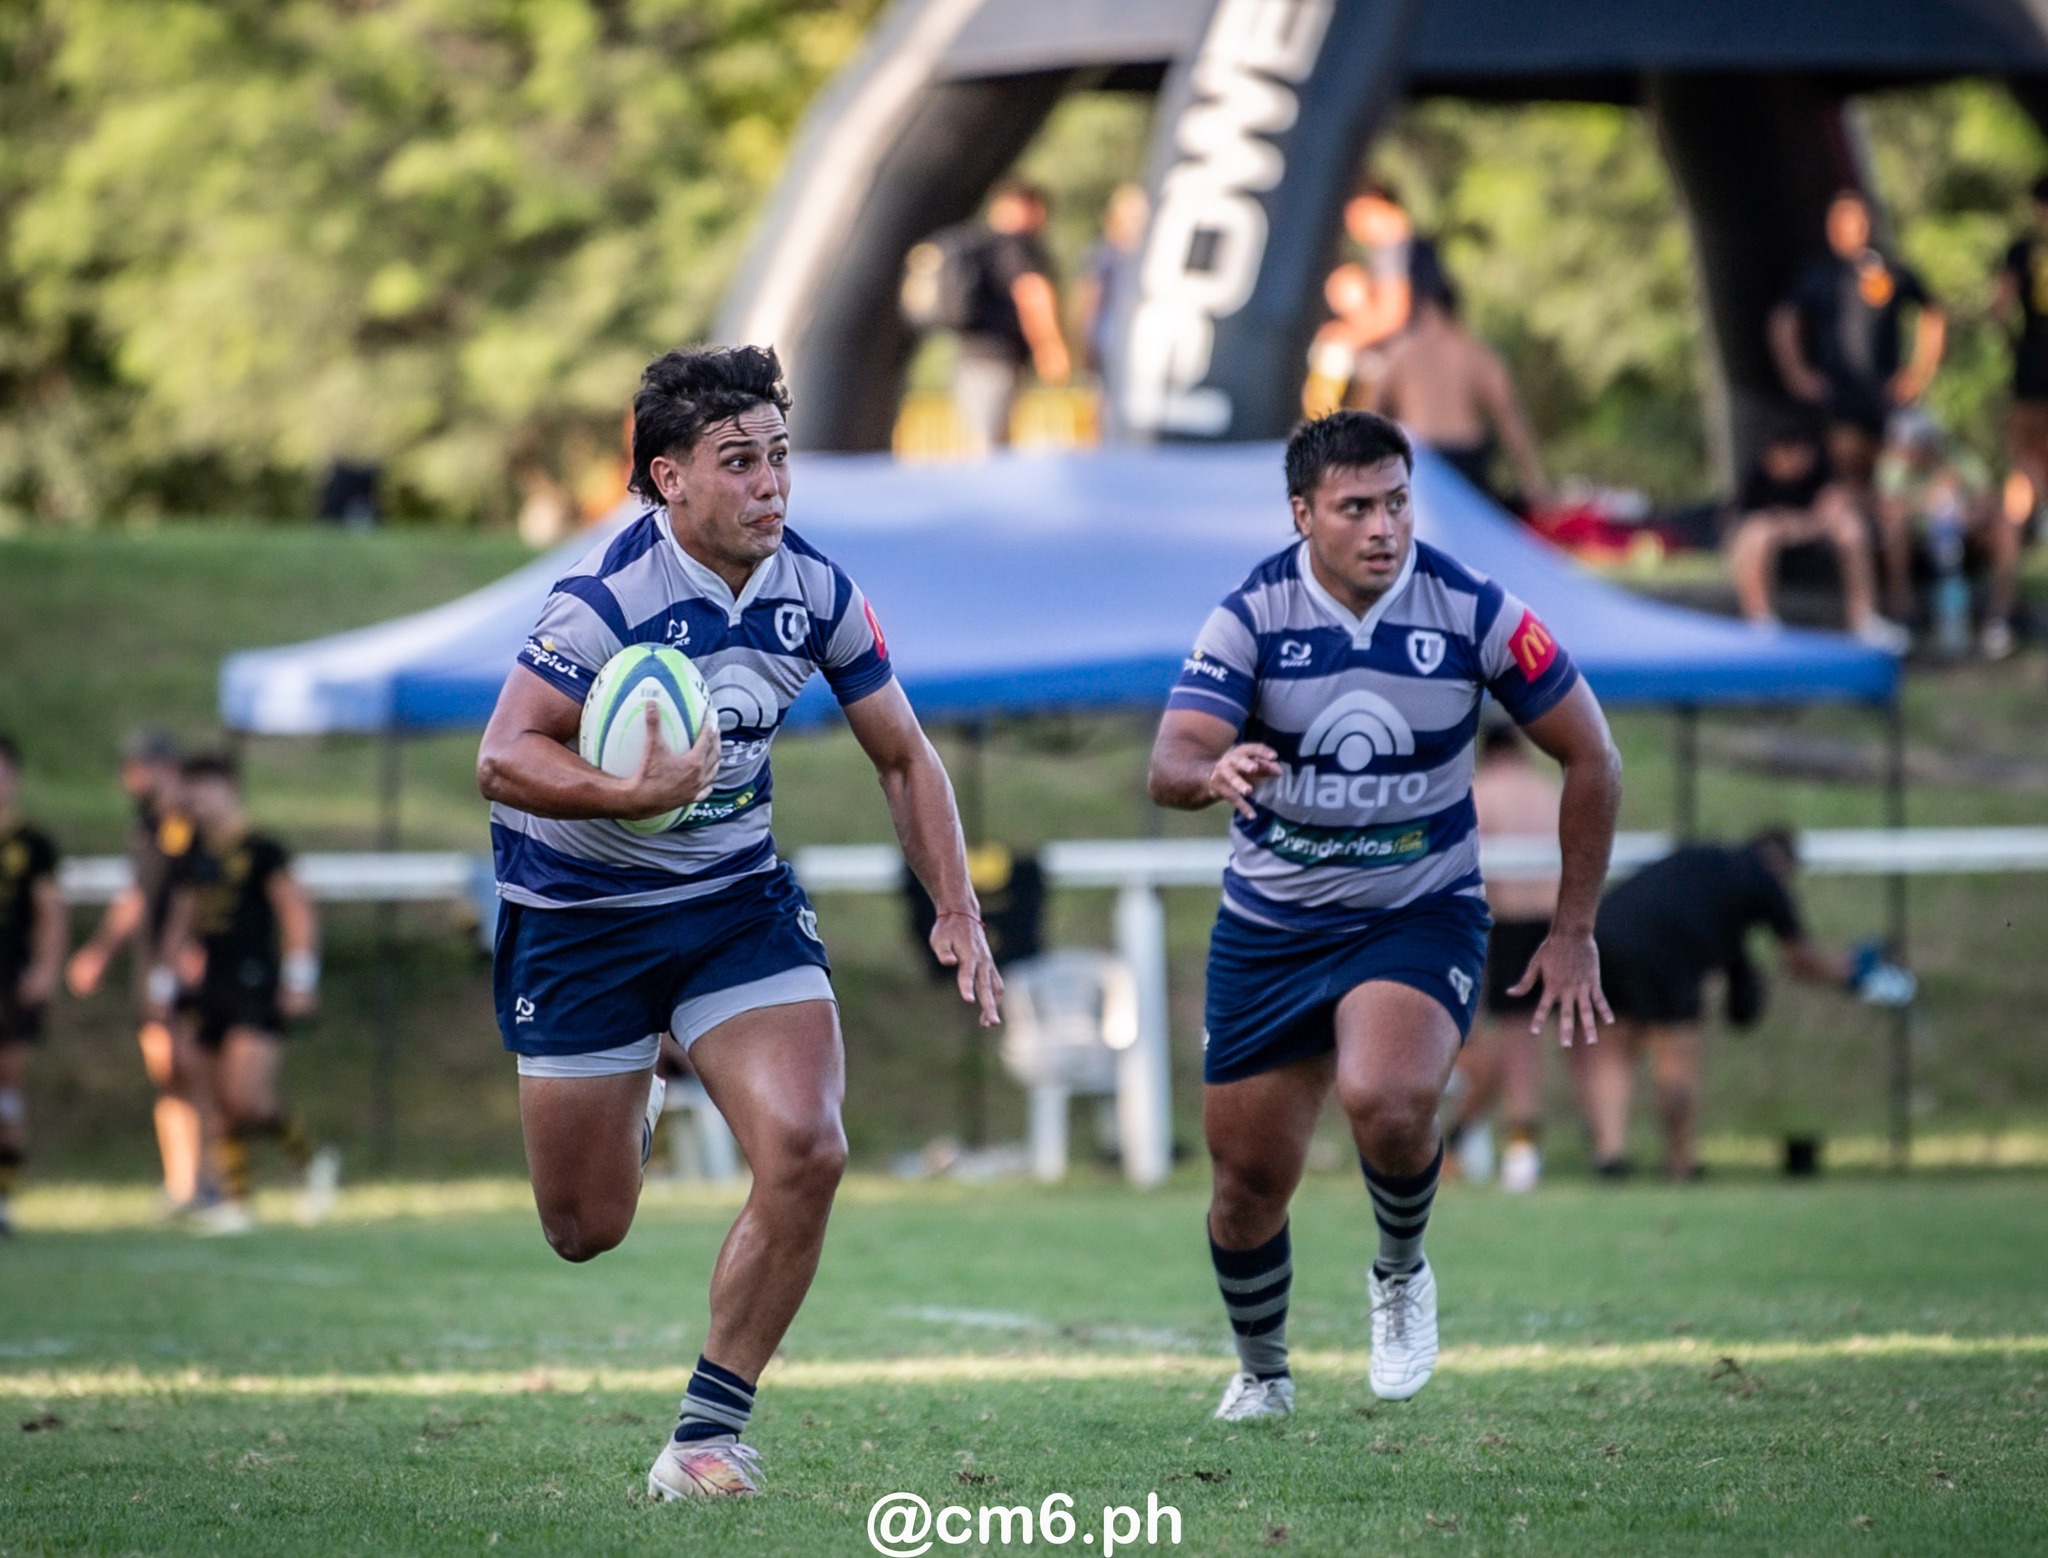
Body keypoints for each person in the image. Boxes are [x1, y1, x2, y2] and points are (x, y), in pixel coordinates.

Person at [475, 344, 1000, 1499]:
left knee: (808, 1147)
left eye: (778, 459)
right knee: (583, 1227)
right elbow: (503, 753)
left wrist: (954, 906)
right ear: (666, 478)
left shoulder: (814, 591)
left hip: (731, 905)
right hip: (580, 921)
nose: (770, 485)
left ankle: (706, 1432)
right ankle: (647, 1079)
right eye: (737, 463)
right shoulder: (604, 600)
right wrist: (628, 794)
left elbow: (903, 756)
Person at [1147, 410, 1621, 1421]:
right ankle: (1262, 1371)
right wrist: (1212, 769)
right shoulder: (1249, 616)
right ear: (1302, 514)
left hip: (1417, 909)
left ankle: (1398, 1271)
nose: (1381, 526)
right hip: (1271, 927)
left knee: (1390, 1096)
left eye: (1396, 502)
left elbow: (1592, 755)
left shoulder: (1471, 608)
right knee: (1243, 1185)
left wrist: (1571, 929)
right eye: (1355, 507)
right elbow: (1169, 761)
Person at [1584, 829, 1915, 1181]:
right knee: (1676, 1053)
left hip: (1604, 932)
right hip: (1667, 950)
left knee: (1613, 1046)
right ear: (1783, 862)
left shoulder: (1703, 855)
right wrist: (1853, 972)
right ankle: (1680, 1162)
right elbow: (1800, 959)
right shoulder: (1763, 877)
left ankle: (1610, 1156)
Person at [153, 754, 334, 1234]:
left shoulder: (262, 849)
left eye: (207, 787)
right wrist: (164, 980)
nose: (197, 798)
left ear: (230, 788)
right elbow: (182, 917)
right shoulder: (193, 851)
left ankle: (309, 1157)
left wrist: (300, 978)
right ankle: (236, 1202)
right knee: (213, 1097)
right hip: (207, 985)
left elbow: (297, 911)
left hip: (254, 981)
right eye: (191, 789)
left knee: (247, 1099)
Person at [65, 730, 206, 1209]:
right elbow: (137, 897)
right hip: (151, 961)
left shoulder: (191, 825)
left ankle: (209, 1178)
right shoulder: (146, 828)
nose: (130, 779)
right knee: (166, 1071)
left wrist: (178, 957)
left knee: (188, 1066)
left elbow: (193, 897)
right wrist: (99, 950)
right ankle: (181, 1182)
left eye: (138, 767)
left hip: (182, 963)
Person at [1444, 723, 1562, 1194]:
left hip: (1504, 924)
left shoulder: (1481, 792)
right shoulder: (1551, 792)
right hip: (1556, 924)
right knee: (1547, 1041)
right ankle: (1590, 1148)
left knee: (1504, 1042)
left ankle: (1509, 1148)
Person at [1769, 189, 1945, 492]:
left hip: (1889, 399)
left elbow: (1933, 314)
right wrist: (1798, 374)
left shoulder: (1890, 271)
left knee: (1899, 472)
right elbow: (1783, 322)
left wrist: (1920, 372)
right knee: (1848, 464)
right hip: (1840, 397)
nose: (1854, 228)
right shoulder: (1818, 275)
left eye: (1860, 220)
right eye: (1845, 221)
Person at [1368, 264, 1554, 509]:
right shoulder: (1476, 352)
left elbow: (1371, 419)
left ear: (1420, 306)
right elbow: (1511, 422)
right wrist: (1534, 483)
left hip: (1422, 465)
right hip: (1468, 462)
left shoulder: (1401, 353)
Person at [1724, 420, 1906, 651]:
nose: (1805, 459)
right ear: (1777, 455)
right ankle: (1759, 621)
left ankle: (1863, 619)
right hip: (1774, 554)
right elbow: (1745, 527)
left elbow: (1835, 509)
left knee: (1851, 529)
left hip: (1820, 547)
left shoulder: (1821, 471)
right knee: (1756, 533)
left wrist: (1802, 524)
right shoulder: (1756, 477)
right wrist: (1787, 525)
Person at [1875, 409, 2021, 659]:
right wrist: (1928, 501)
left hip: (1961, 539)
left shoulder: (1956, 457)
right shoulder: (1893, 463)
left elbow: (1988, 499)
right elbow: (1889, 510)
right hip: (1917, 541)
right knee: (1893, 533)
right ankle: (1904, 619)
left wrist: (1968, 513)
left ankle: (1998, 622)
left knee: (2006, 529)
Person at [0, 737, 64, 1236]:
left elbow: (49, 913)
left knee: (7, 1086)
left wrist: (45, 969)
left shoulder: (31, 844)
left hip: (11, 981)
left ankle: (3, 1197)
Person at [953, 182, 1070, 454]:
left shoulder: (981, 243)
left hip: (970, 356)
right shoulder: (1017, 245)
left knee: (983, 439)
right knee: (988, 446)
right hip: (998, 358)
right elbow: (1033, 293)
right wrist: (1049, 346)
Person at [1302, 180, 1432, 417]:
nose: (1352, 223)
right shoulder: (1400, 244)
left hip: (1404, 356)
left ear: (1372, 203)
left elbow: (1393, 316)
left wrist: (1347, 336)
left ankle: (1321, 423)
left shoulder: (1393, 239)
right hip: (1401, 353)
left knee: (1333, 344)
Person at [1994, 174, 2048, 533]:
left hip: (2033, 361)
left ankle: (2005, 578)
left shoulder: (2022, 249)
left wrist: (2017, 346)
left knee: (2025, 465)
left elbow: (1999, 308)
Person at [1078, 182, 1148, 377]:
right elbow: (1091, 298)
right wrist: (1087, 344)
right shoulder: (1104, 255)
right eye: (1134, 217)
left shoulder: (1152, 256)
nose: (1139, 223)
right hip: (1109, 343)